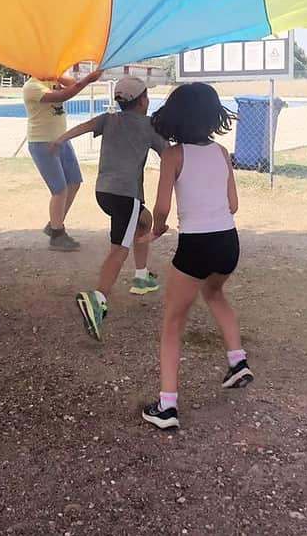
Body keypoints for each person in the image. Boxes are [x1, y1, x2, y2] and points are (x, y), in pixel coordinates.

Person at [141, 83, 251, 430]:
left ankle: (167, 406)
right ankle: (237, 361)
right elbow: (233, 205)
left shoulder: (173, 155)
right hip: (228, 242)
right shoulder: (220, 152)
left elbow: (161, 206)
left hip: (196, 244)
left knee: (173, 323)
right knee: (215, 293)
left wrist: (157, 228)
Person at [52, 77, 167, 341]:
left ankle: (141, 277)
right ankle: (98, 299)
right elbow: (167, 153)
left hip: (103, 192)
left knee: (144, 222)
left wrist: (59, 140)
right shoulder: (149, 126)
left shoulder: (109, 118)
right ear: (143, 101)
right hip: (126, 195)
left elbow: (83, 126)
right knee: (119, 250)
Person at [23, 69, 102, 251]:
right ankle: (57, 234)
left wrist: (56, 73)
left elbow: (71, 83)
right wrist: (89, 79)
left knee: (74, 182)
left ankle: (54, 225)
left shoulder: (52, 78)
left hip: (61, 140)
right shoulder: (32, 87)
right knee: (59, 190)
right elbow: (64, 95)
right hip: (43, 143)